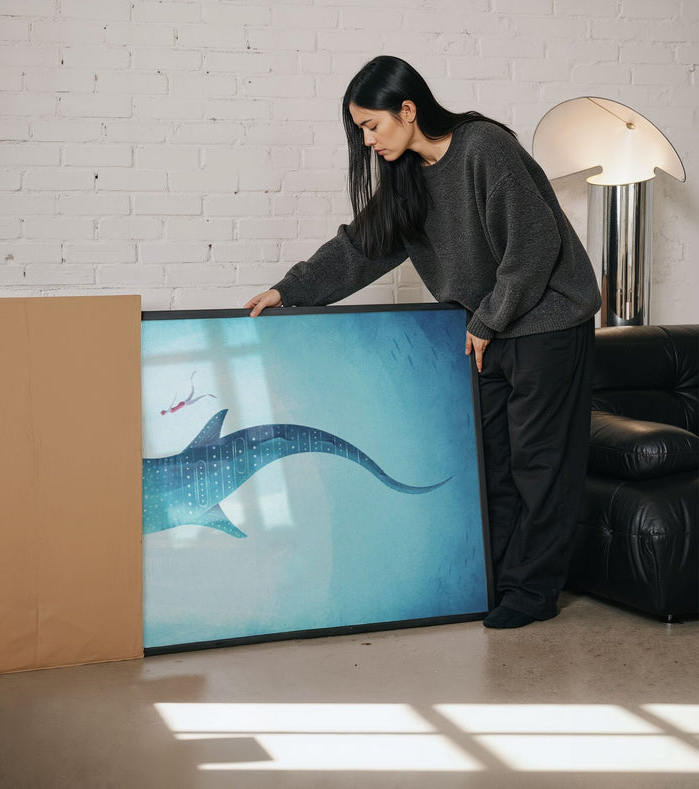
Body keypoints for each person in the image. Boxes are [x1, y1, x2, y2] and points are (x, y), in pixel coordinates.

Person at [244, 55, 602, 629]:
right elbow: (362, 246)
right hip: (486, 329)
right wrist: (291, 290)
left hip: (546, 321)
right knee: (490, 463)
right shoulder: (408, 175)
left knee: (541, 464)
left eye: (372, 126)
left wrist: (488, 321)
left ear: (407, 110)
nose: (367, 142)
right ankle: (496, 582)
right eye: (360, 131)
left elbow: (533, 247)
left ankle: (532, 593)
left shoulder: (484, 148)